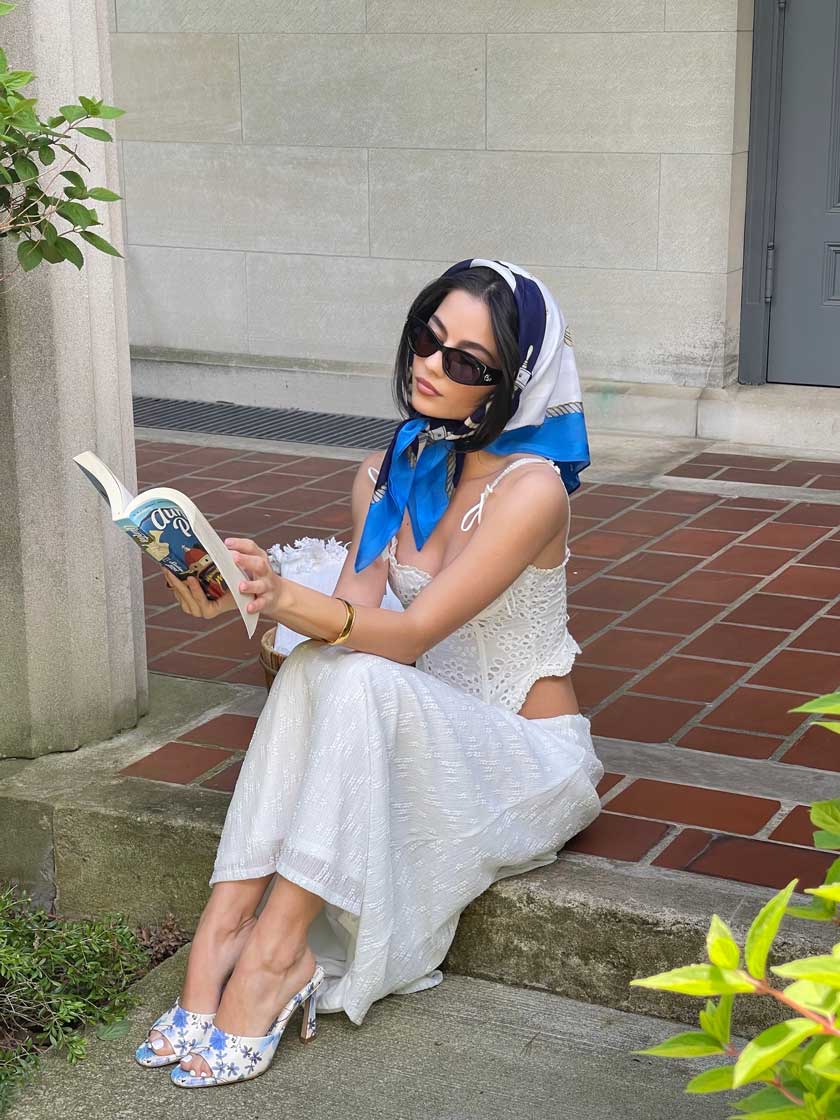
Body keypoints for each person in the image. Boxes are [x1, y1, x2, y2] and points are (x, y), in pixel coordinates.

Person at [134, 257, 605, 1089]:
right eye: (429, 337)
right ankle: (226, 926)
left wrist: (286, 598)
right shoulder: (398, 465)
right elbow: (347, 631)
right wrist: (244, 602)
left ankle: (278, 956)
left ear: (512, 382)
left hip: (526, 762)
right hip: (418, 730)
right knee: (327, 670)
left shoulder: (535, 492)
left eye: (467, 362)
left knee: (356, 675)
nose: (431, 364)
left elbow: (414, 629)